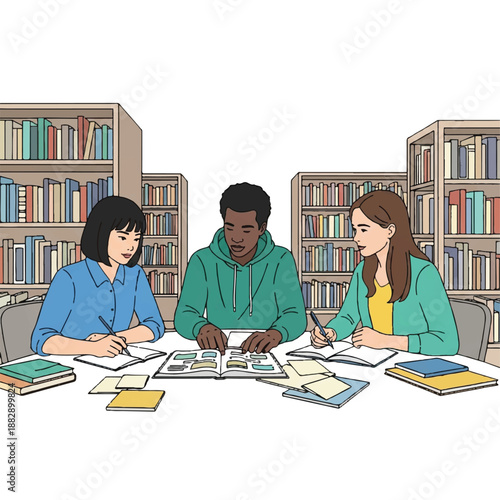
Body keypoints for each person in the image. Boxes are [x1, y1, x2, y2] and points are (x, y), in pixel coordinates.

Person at [310, 189, 459, 355]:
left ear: (390, 230)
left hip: (413, 365)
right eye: (355, 230)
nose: (356, 238)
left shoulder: (423, 273)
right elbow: (348, 317)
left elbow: (447, 341)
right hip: (376, 362)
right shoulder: (362, 271)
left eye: (364, 230)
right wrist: (331, 332)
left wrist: (385, 340)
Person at [174, 182, 307, 354]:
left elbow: (295, 315)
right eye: (230, 227)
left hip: (267, 353)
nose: (236, 238)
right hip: (218, 353)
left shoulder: (281, 259)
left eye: (246, 230)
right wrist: (201, 327)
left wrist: (275, 334)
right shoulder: (202, 260)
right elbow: (184, 314)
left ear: (262, 228)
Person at [31, 196, 164, 357]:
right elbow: (41, 340)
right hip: (72, 364)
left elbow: (155, 325)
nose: (131, 246)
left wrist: (115, 339)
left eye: (136, 238)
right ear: (100, 233)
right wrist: (93, 347)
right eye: (122, 237)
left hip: (116, 360)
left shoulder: (135, 274)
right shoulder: (68, 277)